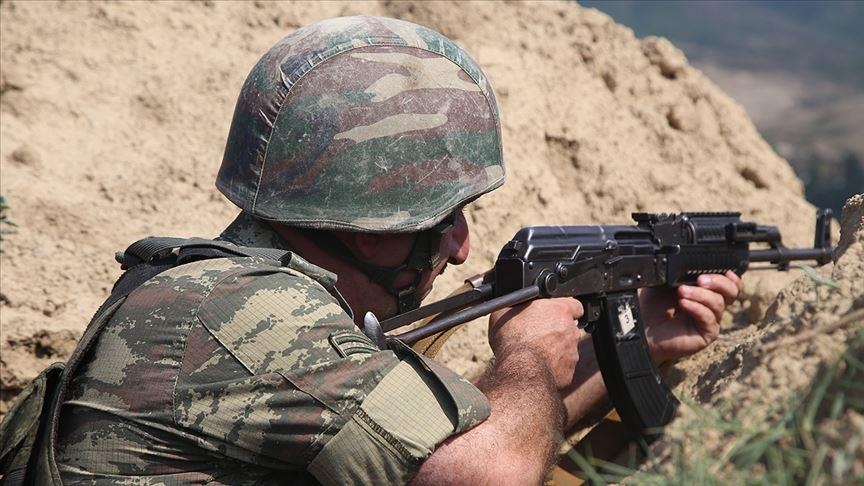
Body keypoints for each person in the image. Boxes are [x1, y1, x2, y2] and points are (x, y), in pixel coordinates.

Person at [54, 16, 741, 485]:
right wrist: (529, 353)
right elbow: (485, 474)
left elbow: (453, 445)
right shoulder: (255, 318)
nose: (462, 249)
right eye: (445, 220)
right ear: (371, 232)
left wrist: (632, 343)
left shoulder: (226, 296)